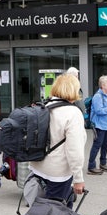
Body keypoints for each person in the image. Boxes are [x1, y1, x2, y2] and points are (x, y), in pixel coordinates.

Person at [28, 74, 87, 208]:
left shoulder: (44, 106)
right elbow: (74, 150)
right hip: (58, 174)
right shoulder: (73, 113)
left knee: (41, 210)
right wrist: (78, 179)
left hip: (38, 167)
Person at [87, 75, 107, 175]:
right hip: (99, 125)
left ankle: (103, 163)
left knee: (105, 144)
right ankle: (91, 166)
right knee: (97, 145)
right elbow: (99, 111)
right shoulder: (98, 96)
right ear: (103, 85)